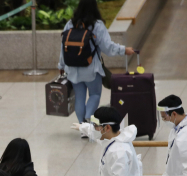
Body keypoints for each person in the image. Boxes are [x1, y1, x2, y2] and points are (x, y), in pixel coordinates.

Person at [58, 0, 135, 133]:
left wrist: (61, 65)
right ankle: (88, 122)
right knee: (94, 94)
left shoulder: (70, 24)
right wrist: (124, 50)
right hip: (90, 69)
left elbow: (62, 47)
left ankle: (82, 128)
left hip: (72, 69)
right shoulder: (97, 25)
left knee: (79, 97)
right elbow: (108, 47)